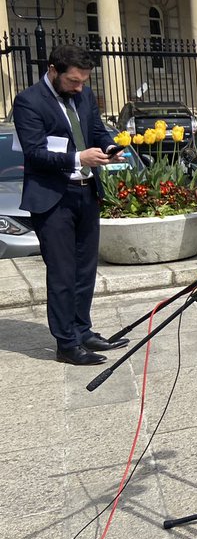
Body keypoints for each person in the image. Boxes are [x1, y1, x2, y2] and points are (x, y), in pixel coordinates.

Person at [12, 45, 129, 366]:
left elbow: (94, 130)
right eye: (74, 81)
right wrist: (78, 157)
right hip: (53, 197)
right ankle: (66, 343)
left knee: (85, 269)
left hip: (86, 191)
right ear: (53, 71)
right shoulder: (28, 101)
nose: (79, 87)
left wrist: (108, 147)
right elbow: (34, 153)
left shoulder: (84, 95)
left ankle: (83, 329)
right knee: (63, 272)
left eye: (83, 81)